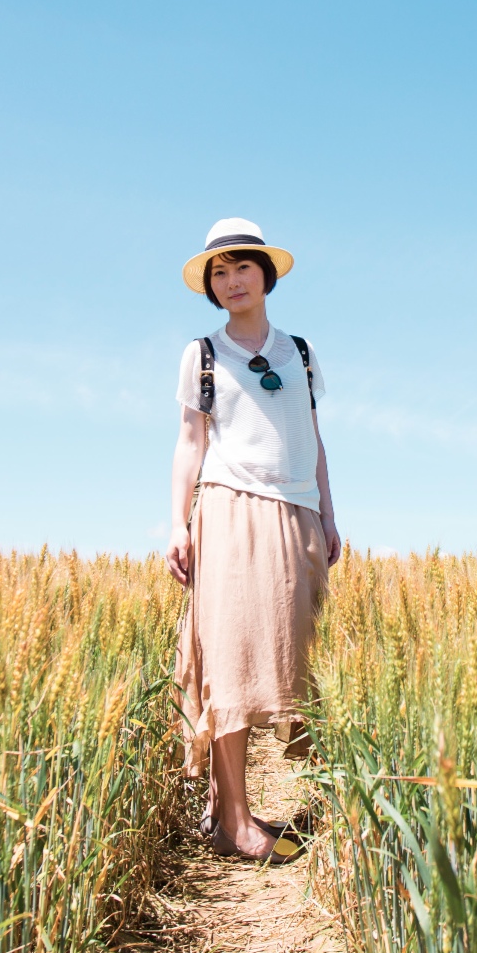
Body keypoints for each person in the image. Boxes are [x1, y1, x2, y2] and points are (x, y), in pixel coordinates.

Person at [168, 217, 341, 863]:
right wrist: (177, 523)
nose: (232, 279)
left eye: (243, 266)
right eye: (220, 272)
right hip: (229, 507)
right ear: (212, 287)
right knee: (232, 658)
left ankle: (295, 802)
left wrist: (328, 513)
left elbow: (314, 438)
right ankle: (236, 820)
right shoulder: (203, 354)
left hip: (296, 510)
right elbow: (190, 444)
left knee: (302, 658)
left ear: (265, 274)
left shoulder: (300, 351)